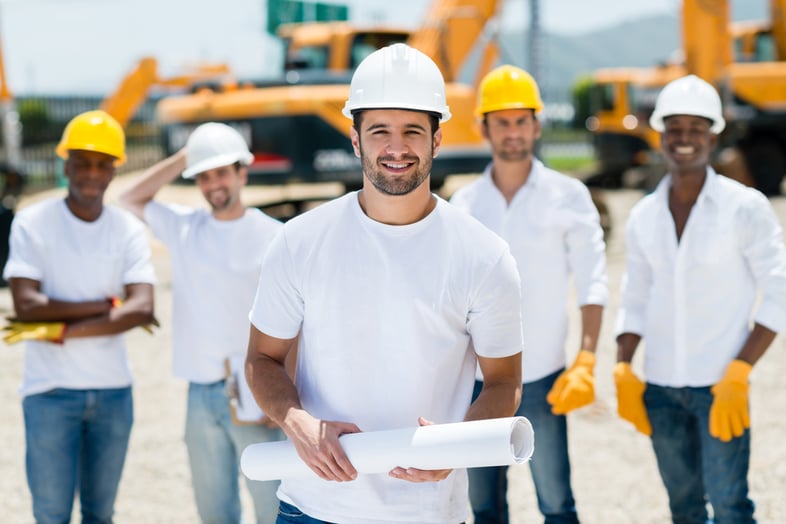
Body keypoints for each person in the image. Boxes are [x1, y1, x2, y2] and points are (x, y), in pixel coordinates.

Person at [244, 43, 524, 524]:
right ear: (355, 140)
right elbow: (261, 359)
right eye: (379, 131)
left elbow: (504, 382)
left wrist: (454, 449)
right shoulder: (300, 242)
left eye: (413, 130)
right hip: (313, 506)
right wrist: (298, 423)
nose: (397, 148)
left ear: (437, 140)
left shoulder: (484, 256)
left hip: (429, 512)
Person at [614, 74, 786, 524]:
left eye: (696, 127)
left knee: (731, 507)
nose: (684, 138)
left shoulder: (744, 207)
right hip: (661, 390)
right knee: (684, 508)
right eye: (674, 127)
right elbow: (635, 297)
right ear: (660, 135)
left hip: (720, 387)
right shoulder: (643, 216)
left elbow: (780, 289)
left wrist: (740, 370)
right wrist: (622, 365)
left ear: (714, 135)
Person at [450, 65, 608, 524]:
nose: (513, 131)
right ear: (484, 127)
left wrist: (586, 359)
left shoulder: (569, 195)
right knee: (483, 507)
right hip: (476, 383)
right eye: (502, 121)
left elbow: (593, 279)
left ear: (537, 126)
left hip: (544, 378)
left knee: (557, 505)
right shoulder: (464, 206)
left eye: (521, 120)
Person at [118, 122, 285, 524]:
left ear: (242, 172)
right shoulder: (184, 228)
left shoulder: (276, 235)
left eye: (222, 171)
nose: (213, 184)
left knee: (273, 509)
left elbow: (298, 321)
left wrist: (282, 392)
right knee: (214, 514)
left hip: (256, 391)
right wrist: (189, 153)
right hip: (199, 392)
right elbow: (127, 199)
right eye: (204, 175)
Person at [1, 110, 157, 523]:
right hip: (50, 394)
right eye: (83, 162)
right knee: (51, 515)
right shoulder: (33, 223)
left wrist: (60, 329)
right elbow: (26, 307)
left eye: (102, 164)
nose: (92, 173)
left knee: (100, 514)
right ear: (65, 164)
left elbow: (143, 307)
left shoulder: (127, 228)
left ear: (113, 170)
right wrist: (106, 306)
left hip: (113, 394)